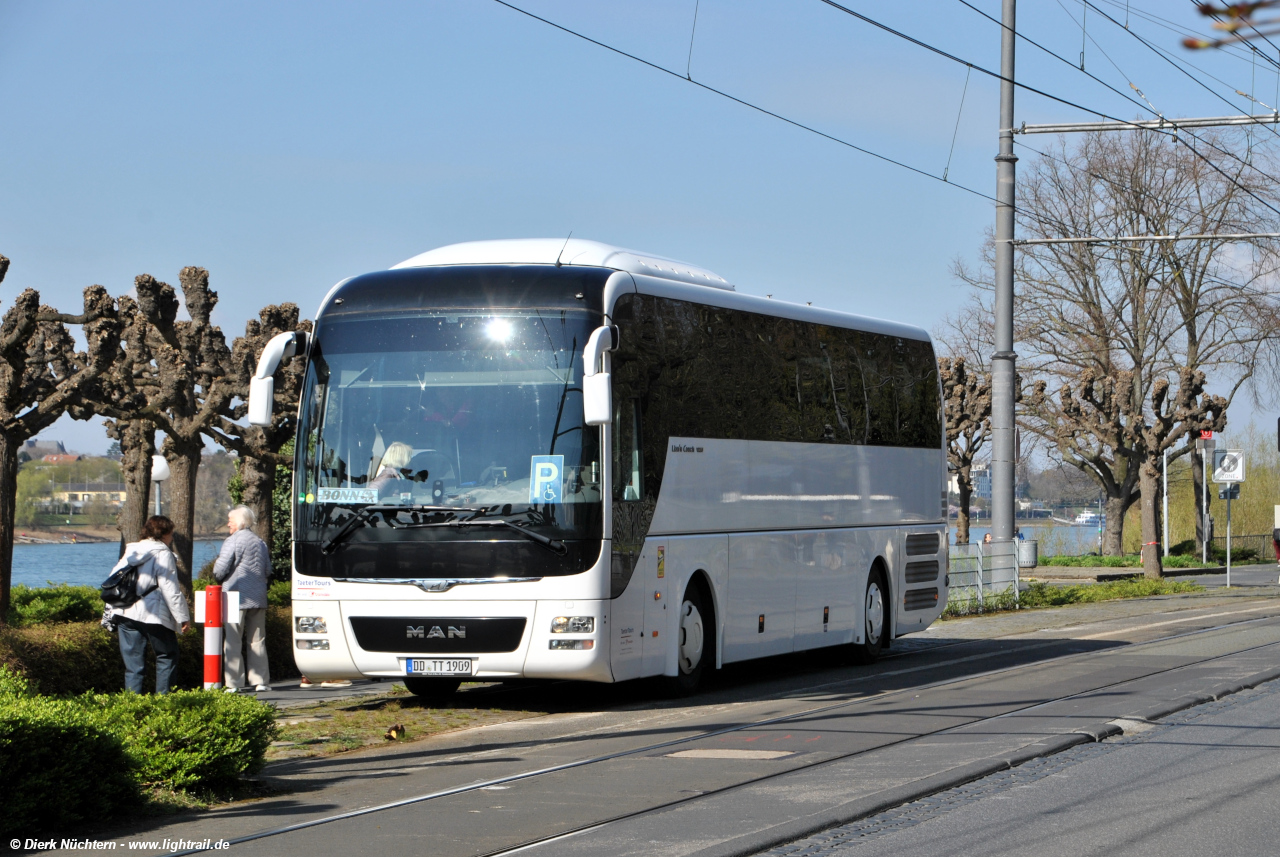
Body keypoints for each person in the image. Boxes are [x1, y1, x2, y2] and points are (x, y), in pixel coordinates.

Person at [111, 515, 191, 694]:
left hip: (126, 612)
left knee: (133, 666)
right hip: (154, 614)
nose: (172, 538)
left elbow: (113, 579)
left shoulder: (131, 550)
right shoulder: (163, 553)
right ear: (164, 534)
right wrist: (183, 617)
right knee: (167, 656)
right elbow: (170, 588)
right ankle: (163, 703)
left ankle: (132, 704)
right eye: (171, 534)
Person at [214, 505, 272, 692]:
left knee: (233, 640)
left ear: (239, 522)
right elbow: (268, 570)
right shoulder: (260, 542)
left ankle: (234, 683)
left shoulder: (232, 541)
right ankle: (260, 681)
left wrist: (218, 577)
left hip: (235, 596)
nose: (228, 524)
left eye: (230, 520)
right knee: (257, 640)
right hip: (258, 597)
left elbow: (220, 569)